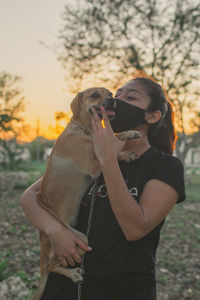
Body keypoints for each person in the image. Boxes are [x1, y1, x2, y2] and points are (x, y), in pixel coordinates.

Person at [20, 77, 185, 300]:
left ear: (153, 115)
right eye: (116, 96)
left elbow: (135, 228)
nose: (115, 101)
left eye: (130, 97)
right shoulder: (85, 153)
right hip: (64, 287)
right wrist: (55, 230)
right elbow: (30, 196)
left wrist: (108, 157)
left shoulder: (165, 167)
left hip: (121, 291)